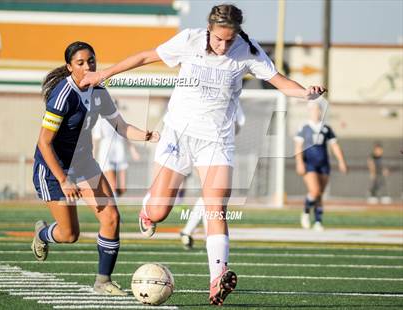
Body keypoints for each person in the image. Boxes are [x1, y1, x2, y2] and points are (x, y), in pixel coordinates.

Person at [81, 4, 326, 305]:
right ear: (209, 29)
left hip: (216, 142)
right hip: (177, 136)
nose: (223, 46)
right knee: (159, 211)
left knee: (216, 210)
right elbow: (146, 56)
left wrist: (305, 93)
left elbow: (279, 80)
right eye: (218, 39)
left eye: (229, 40)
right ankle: (148, 210)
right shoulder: (190, 40)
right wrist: (103, 74)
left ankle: (217, 278)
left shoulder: (247, 51)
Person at [31, 41, 159, 296]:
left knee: (111, 217)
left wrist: (146, 135)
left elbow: (120, 126)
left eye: (91, 60)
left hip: (84, 164)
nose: (88, 66)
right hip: (53, 168)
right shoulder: (62, 96)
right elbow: (44, 143)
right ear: (70, 67)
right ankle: (43, 234)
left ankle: (103, 282)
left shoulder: (100, 91)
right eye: (80, 63)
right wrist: (64, 179)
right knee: (69, 234)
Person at [180, 103, 246, 250]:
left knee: (210, 196)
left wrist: (226, 130)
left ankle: (190, 231)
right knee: (211, 196)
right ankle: (205, 234)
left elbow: (239, 124)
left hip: (220, 150)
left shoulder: (232, 97)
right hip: (202, 148)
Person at [294, 101, 347, 231]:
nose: (316, 112)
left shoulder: (326, 128)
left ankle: (318, 221)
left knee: (320, 194)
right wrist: (299, 162)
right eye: (313, 109)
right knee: (315, 191)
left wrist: (341, 161)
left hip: (324, 164)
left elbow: (335, 146)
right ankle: (306, 212)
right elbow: (298, 147)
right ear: (309, 111)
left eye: (318, 110)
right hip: (309, 164)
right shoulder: (304, 127)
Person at [92, 110, 141, 198]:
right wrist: (93, 156)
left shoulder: (119, 119)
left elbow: (126, 134)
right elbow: (96, 140)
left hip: (119, 152)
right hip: (106, 153)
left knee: (122, 188)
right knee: (113, 186)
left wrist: (133, 150)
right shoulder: (100, 121)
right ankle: (112, 207)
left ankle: (114, 202)